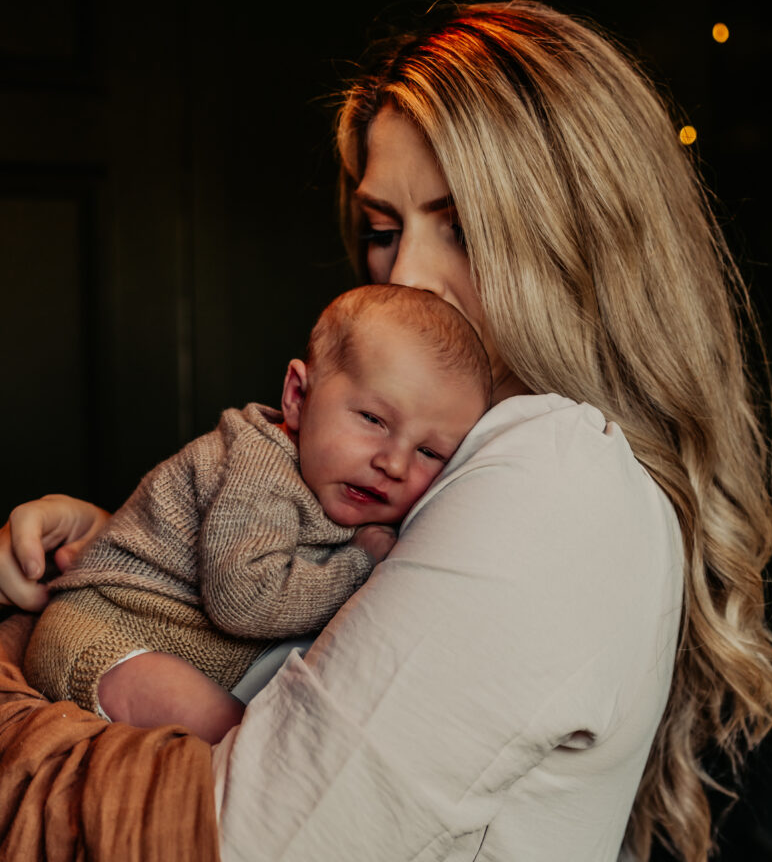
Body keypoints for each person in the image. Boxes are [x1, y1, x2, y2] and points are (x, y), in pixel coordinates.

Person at [0, 0, 772, 862]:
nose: (406, 274)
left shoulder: (557, 474)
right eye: (382, 229)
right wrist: (131, 542)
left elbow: (245, 841)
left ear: (585, 238)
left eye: (463, 226)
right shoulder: (450, 468)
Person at [21, 284, 491, 744]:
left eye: (429, 451)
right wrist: (357, 564)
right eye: (372, 419)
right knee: (242, 735)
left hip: (185, 644)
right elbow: (242, 601)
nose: (393, 463)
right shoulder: (259, 468)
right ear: (298, 397)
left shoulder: (342, 481)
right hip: (103, 633)